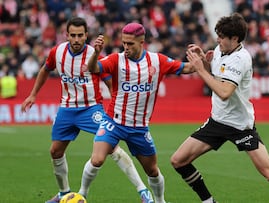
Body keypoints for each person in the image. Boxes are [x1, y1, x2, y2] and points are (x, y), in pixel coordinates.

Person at [170, 13, 269, 203]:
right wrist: (203, 62)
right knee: (178, 160)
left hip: (240, 126)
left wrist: (199, 68)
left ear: (235, 39)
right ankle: (208, 201)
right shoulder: (221, 49)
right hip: (218, 121)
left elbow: (224, 91)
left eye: (221, 37)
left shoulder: (241, 59)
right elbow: (214, 74)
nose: (218, 39)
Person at [21, 17, 153, 203]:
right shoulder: (57, 52)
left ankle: (143, 191)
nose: (76, 39)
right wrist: (33, 94)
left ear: (86, 35)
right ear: (66, 35)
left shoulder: (95, 55)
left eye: (80, 35)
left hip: (91, 109)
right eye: (72, 35)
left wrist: (119, 105)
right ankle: (63, 194)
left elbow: (111, 83)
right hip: (66, 109)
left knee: (112, 149)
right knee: (55, 151)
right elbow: (45, 69)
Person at [79, 22, 195, 203]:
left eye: (130, 44)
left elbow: (186, 68)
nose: (126, 47)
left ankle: (159, 201)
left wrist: (207, 61)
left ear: (142, 42)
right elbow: (93, 68)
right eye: (124, 43)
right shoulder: (116, 59)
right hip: (113, 122)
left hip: (139, 128)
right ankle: (81, 194)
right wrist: (95, 52)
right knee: (97, 160)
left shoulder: (158, 61)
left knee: (152, 170)